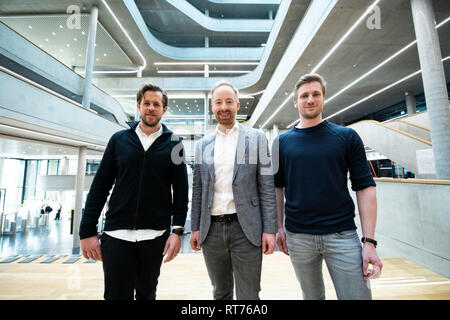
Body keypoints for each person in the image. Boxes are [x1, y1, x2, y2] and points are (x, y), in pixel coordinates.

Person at [273, 73, 383, 300]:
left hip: (342, 235)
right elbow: (277, 188)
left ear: (323, 98)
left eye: (316, 94)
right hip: (298, 237)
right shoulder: (281, 143)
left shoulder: (346, 137)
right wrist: (279, 227)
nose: (310, 99)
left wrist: (369, 241)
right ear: (295, 102)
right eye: (304, 95)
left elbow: (365, 187)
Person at [79, 84, 189, 300]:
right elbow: (100, 186)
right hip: (116, 234)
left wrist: (177, 232)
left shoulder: (175, 144)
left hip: (154, 236)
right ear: (138, 106)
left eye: (156, 104)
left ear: (164, 110)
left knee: (147, 295)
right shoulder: (119, 140)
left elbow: (182, 192)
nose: (151, 108)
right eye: (146, 103)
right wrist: (86, 230)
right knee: (116, 296)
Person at [190, 80, 277, 300]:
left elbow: (266, 188)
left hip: (246, 229)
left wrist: (270, 230)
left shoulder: (257, 139)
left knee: (249, 295)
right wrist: (195, 228)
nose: (223, 107)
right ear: (212, 107)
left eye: (229, 102)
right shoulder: (202, 145)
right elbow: (198, 190)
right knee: (220, 293)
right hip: (212, 231)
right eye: (218, 102)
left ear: (238, 105)